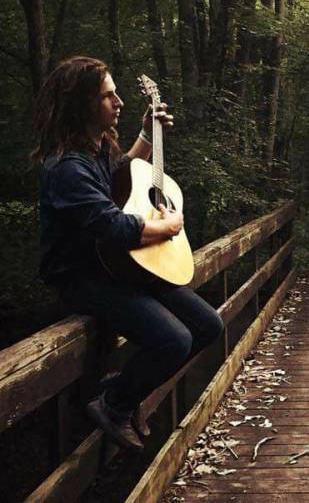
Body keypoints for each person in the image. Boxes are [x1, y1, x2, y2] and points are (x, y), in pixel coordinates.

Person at [32, 56, 223, 451]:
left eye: (117, 93)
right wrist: (167, 227)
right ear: (82, 105)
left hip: (118, 268)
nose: (118, 101)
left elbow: (121, 175)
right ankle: (114, 404)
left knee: (208, 326)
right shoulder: (66, 167)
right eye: (108, 96)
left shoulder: (97, 150)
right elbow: (114, 227)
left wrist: (146, 135)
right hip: (82, 276)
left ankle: (124, 388)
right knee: (172, 340)